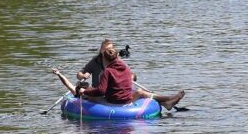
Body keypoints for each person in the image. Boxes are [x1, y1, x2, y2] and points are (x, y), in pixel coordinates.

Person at [51, 40, 184, 112]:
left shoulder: (108, 71)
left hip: (112, 99)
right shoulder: (119, 66)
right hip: (122, 97)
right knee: (139, 92)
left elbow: (102, 90)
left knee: (138, 91)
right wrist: (82, 76)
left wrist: (84, 90)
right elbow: (80, 75)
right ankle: (167, 99)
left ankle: (168, 100)